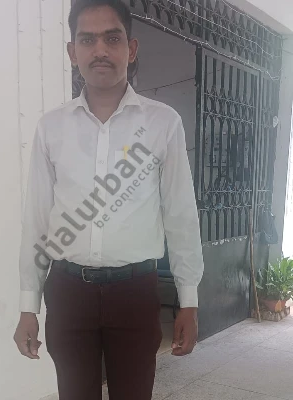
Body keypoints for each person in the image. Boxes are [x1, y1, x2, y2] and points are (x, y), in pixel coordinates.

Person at [14, 0, 204, 399]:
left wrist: (189, 299)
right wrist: (28, 304)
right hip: (68, 293)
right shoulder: (51, 128)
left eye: (112, 38)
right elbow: (37, 220)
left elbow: (180, 214)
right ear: (73, 52)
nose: (100, 50)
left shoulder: (163, 123)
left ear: (130, 49)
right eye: (87, 40)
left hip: (135, 292)